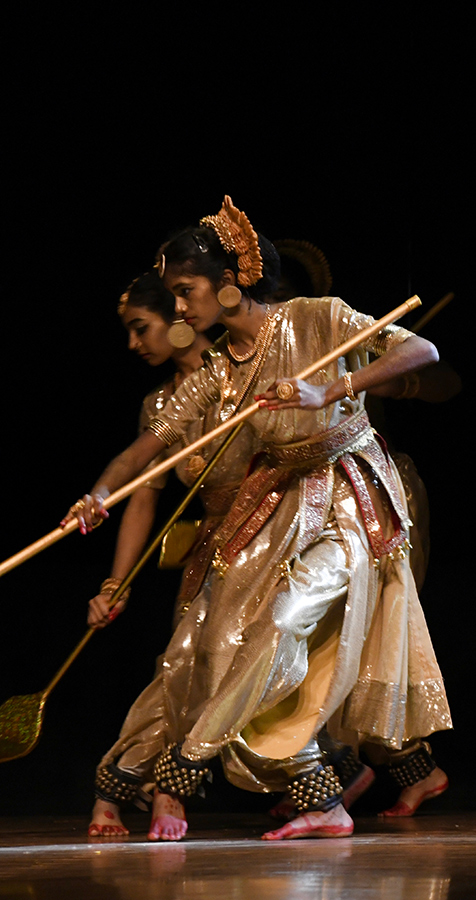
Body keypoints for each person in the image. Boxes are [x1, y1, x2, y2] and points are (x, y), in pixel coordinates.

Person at [65, 197, 451, 841]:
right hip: (280, 506)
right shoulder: (218, 371)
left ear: (228, 283)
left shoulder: (318, 319)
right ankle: (318, 795)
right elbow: (147, 448)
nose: (180, 309)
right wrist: (99, 494)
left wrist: (328, 389)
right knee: (219, 646)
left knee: (282, 620)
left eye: (185, 291)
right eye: (173, 294)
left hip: (353, 498)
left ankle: (188, 768)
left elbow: (424, 350)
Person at [87, 272, 261, 837]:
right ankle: (143, 788)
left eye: (142, 328)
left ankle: (337, 779)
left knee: (253, 667)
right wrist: (116, 582)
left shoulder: (248, 368)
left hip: (277, 531)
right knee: (187, 663)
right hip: (215, 547)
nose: (134, 344)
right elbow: (142, 491)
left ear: (180, 318)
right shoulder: (161, 404)